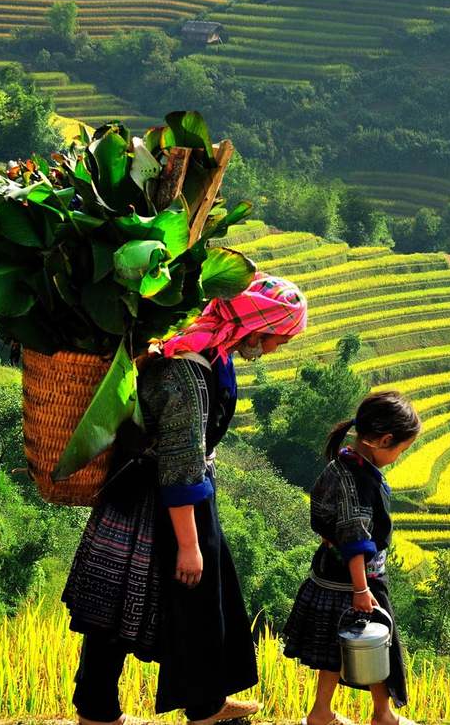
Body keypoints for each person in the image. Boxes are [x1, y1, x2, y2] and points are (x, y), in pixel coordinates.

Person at [61, 272, 308, 725]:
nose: (274, 349)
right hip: (152, 501)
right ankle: (96, 712)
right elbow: (178, 463)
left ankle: (207, 704)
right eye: (277, 339)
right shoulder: (185, 372)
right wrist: (190, 545)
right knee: (114, 611)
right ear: (255, 327)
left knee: (203, 605)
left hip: (182, 495)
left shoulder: (213, 353)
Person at [282, 391, 423, 725]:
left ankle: (322, 714)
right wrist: (361, 590)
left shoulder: (343, 464)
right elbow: (353, 537)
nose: (399, 457)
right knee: (378, 642)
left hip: (329, 573)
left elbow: (327, 521)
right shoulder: (355, 480)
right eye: (400, 450)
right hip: (357, 581)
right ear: (384, 440)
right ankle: (382, 716)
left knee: (336, 650)